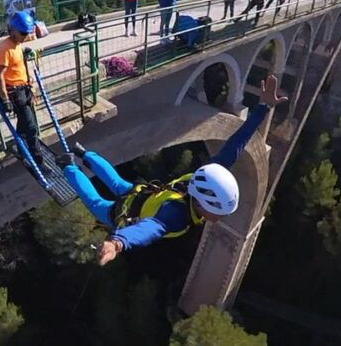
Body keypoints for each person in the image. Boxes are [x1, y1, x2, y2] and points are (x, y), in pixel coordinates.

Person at [57, 75, 289, 266]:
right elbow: (149, 229)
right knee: (97, 203)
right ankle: (68, 166)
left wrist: (263, 108)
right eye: (217, 212)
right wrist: (118, 242)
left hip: (143, 194)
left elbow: (236, 145)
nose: (219, 219)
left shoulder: (208, 174)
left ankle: (83, 153)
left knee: (117, 183)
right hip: (132, 208)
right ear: (201, 204)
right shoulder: (177, 216)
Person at [0, 11, 46, 171]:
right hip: (15, 92)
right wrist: (5, 98)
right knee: (31, 127)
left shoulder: (17, 44)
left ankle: (21, 147)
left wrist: (24, 56)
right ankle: (37, 161)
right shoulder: (5, 49)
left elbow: (18, 65)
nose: (26, 36)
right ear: (13, 30)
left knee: (25, 123)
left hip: (24, 88)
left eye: (27, 33)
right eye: (23, 33)